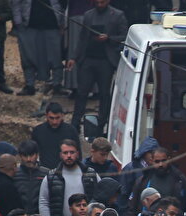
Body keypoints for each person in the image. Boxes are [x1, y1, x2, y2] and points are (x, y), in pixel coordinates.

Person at [66, 0, 126, 132]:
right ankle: (75, 123)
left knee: (104, 94)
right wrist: (74, 57)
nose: (99, 5)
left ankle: (102, 124)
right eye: (97, 2)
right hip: (88, 60)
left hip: (106, 61)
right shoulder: (88, 15)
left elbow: (123, 36)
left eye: (102, 2)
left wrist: (109, 38)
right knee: (81, 92)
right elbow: (82, 38)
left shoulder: (118, 15)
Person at [40, 140, 99, 216]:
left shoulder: (91, 174)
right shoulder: (51, 177)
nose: (69, 156)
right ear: (60, 154)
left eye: (72, 152)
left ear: (77, 154)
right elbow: (43, 202)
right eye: (65, 153)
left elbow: (100, 199)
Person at [13, 0, 64, 97]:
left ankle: (57, 85)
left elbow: (63, 4)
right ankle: (29, 85)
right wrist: (18, 21)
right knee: (28, 57)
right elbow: (16, 3)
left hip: (53, 25)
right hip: (29, 26)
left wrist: (62, 23)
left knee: (56, 58)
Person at [31, 104, 80, 170]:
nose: (54, 122)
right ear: (46, 116)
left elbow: (78, 155)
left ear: (62, 116)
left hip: (67, 170)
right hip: (45, 171)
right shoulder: (38, 131)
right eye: (51, 118)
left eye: (57, 118)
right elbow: (33, 153)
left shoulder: (71, 131)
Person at [15, 140, 49, 211]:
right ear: (20, 156)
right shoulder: (14, 174)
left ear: (37, 155)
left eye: (31, 155)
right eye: (25, 156)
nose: (28, 159)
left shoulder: (46, 174)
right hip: (20, 215)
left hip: (40, 215)